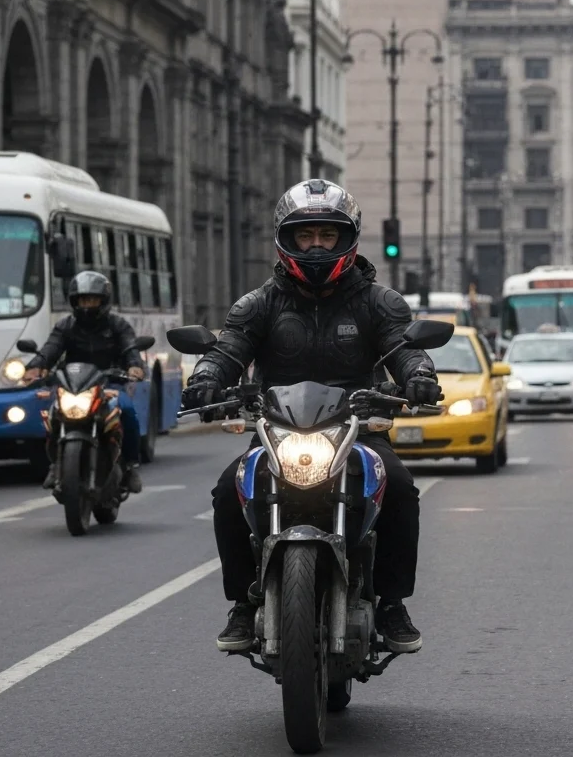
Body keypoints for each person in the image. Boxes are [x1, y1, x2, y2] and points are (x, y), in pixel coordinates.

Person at [181, 179, 442, 655]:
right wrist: (206, 377)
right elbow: (228, 348)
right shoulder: (258, 303)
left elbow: (404, 347)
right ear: (286, 239)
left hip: (358, 428)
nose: (317, 246)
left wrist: (419, 374)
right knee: (226, 492)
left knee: (401, 489)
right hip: (276, 430)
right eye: (306, 236)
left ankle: (392, 603)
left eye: (327, 235)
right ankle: (242, 602)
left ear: (347, 238)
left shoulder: (378, 301)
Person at [22, 271, 146, 493]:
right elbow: (51, 349)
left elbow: (130, 348)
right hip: (74, 386)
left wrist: (134, 365)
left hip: (110, 384)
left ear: (104, 301)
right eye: (83, 300)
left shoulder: (118, 325)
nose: (87, 305)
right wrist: (36, 366)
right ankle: (56, 464)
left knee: (127, 410)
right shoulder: (65, 326)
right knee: (51, 414)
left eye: (93, 299)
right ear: (74, 301)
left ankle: (129, 466)